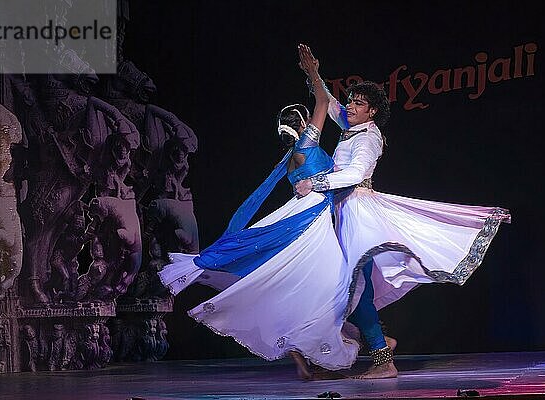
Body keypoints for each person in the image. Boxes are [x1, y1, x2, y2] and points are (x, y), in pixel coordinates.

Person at [294, 45, 511, 379]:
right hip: (343, 210)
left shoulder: (369, 137)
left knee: (351, 286)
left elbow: (354, 174)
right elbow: (330, 104)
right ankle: (378, 344)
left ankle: (382, 358)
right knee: (348, 287)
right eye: (351, 100)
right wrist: (313, 73)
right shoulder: (353, 127)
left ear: (373, 112)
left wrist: (315, 182)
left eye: (358, 103)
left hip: (358, 211)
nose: (350, 106)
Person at [158, 45, 361, 378]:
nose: (313, 121)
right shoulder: (307, 145)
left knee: (301, 282)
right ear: (303, 125)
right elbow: (324, 103)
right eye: (307, 119)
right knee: (327, 285)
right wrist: (312, 71)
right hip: (312, 219)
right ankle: (315, 341)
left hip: (303, 212)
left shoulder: (290, 157)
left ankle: (299, 346)